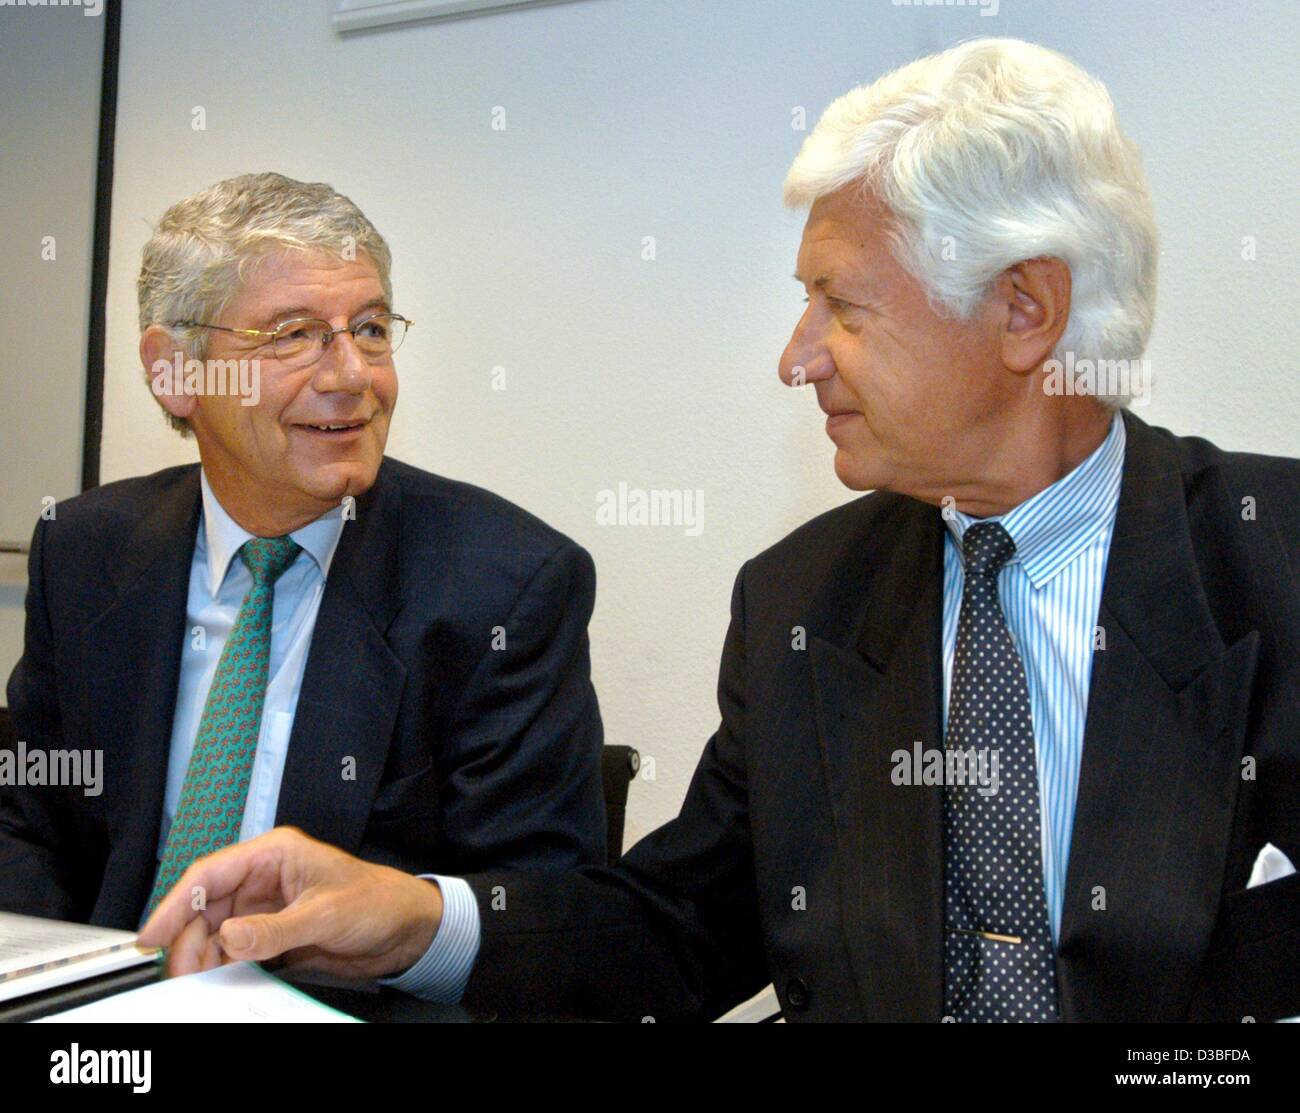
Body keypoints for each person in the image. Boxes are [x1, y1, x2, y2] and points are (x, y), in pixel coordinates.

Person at [141, 41, 1300, 1022]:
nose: (794, 359)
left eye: (840, 307)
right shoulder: (805, 600)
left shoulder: (1276, 561)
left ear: (1023, 310)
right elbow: (681, 927)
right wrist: (412, 920)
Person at [2, 175, 607, 983]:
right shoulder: (83, 550)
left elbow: (548, 917)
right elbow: (28, 823)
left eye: (370, 328)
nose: (352, 374)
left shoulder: (507, 585)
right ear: (175, 370)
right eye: (293, 335)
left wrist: (405, 919)